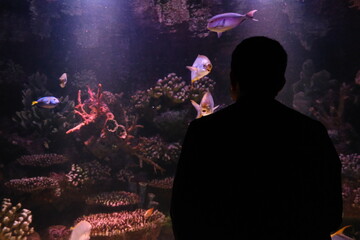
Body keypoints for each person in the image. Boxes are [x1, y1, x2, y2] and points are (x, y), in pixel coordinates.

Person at [170, 36, 342, 240]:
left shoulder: (203, 132)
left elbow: (182, 211)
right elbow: (331, 215)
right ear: (281, 83)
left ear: (233, 79)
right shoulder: (311, 133)